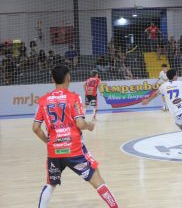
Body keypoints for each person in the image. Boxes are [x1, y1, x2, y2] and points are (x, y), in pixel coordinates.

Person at [32, 65, 118, 208]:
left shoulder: (42, 101)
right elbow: (80, 123)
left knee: (50, 183)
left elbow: (35, 128)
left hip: (54, 150)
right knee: (96, 177)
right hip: (74, 150)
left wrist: (48, 141)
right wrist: (90, 126)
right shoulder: (73, 98)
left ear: (52, 79)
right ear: (68, 78)